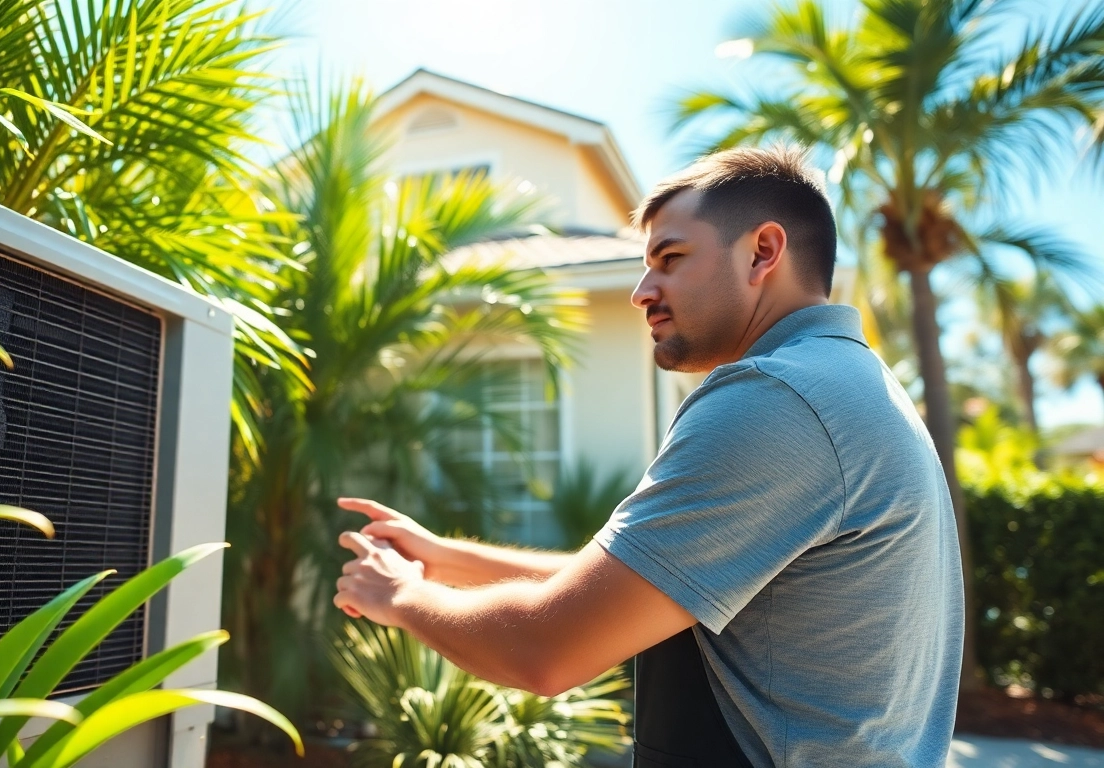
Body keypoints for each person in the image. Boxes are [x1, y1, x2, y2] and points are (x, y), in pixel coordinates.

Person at [333, 145, 963, 767]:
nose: (641, 291)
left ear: (763, 252)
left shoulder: (774, 400)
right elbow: (640, 581)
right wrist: (446, 559)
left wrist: (398, 596)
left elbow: (546, 649)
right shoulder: (850, 383)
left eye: (671, 258)